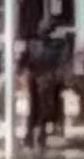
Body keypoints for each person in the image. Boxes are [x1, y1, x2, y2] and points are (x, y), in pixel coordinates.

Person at [20, 22, 61, 150]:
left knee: (44, 110)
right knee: (34, 110)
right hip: (35, 80)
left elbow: (56, 63)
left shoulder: (54, 46)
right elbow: (24, 62)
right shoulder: (32, 45)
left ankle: (40, 137)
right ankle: (31, 137)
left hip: (46, 81)